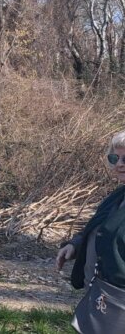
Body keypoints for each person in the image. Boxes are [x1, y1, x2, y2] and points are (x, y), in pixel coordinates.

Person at [56, 130, 125, 333]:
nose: (119, 164)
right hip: (102, 294)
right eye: (115, 158)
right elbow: (102, 227)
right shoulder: (117, 196)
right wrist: (75, 245)